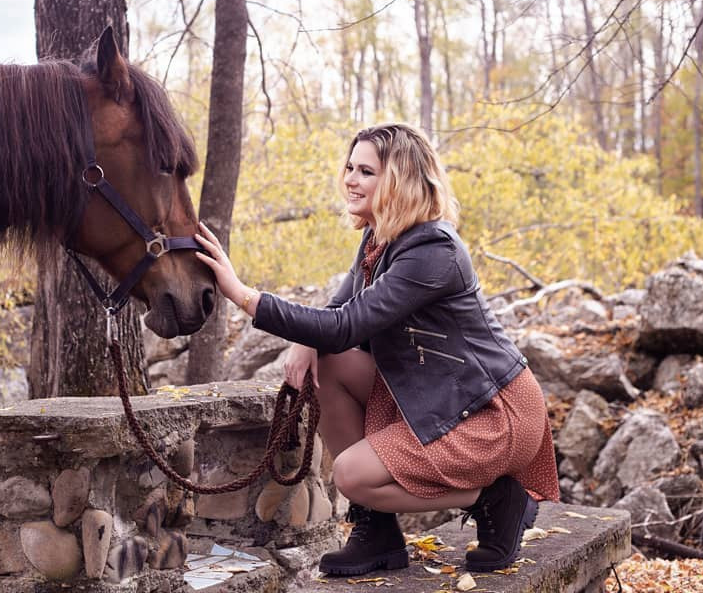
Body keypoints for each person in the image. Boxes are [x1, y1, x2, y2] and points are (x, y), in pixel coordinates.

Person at [194, 122, 559, 577]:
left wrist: (242, 294)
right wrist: (308, 341)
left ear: (400, 180)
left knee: (351, 475)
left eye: (366, 171)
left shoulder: (433, 250)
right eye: (349, 167)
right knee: (328, 362)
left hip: (491, 411)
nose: (350, 179)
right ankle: (377, 534)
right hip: (439, 397)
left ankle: (497, 497)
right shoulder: (378, 240)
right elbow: (339, 311)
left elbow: (347, 324)